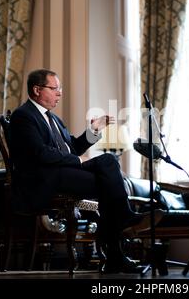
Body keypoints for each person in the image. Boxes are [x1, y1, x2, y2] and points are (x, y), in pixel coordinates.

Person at [9, 69, 161, 273]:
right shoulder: (23, 116)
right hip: (44, 179)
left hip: (63, 173)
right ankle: (119, 234)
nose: (59, 93)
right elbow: (40, 154)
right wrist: (78, 160)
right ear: (37, 90)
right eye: (55, 88)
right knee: (108, 171)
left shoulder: (54, 119)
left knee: (108, 166)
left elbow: (73, 147)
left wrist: (94, 130)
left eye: (60, 88)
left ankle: (116, 251)